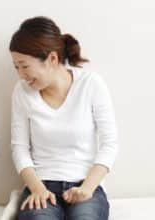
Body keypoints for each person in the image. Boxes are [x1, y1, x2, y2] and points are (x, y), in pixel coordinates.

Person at [9, 16, 118, 220]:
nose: (21, 74)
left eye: (24, 66)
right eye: (16, 67)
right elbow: (19, 147)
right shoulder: (22, 91)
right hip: (41, 185)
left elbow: (109, 143)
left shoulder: (91, 84)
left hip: (86, 184)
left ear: (52, 58)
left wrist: (87, 188)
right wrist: (36, 188)